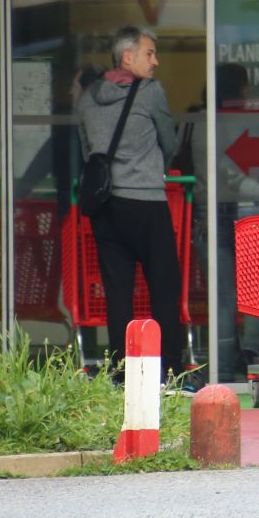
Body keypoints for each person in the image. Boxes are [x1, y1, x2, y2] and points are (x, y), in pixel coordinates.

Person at [76, 27, 186, 390]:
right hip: (145, 202)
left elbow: (86, 148)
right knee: (164, 289)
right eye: (150, 53)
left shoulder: (89, 96)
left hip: (105, 206)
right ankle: (170, 371)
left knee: (118, 292)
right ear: (128, 57)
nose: (155, 61)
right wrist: (152, 166)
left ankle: (121, 372)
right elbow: (168, 141)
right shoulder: (150, 92)